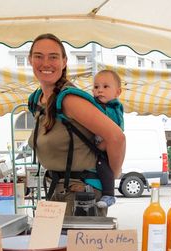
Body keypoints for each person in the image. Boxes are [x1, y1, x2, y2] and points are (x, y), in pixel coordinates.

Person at [27, 33, 126, 216]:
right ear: (30, 60)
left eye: (53, 57)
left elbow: (117, 137)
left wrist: (112, 173)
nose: (46, 63)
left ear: (64, 62)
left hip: (80, 195)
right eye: (39, 56)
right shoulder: (37, 100)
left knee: (69, 246)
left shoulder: (69, 99)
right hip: (56, 191)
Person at [92, 69, 124, 209]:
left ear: (117, 92)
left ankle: (109, 194)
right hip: (96, 142)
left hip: (106, 146)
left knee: (103, 166)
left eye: (105, 87)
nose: (100, 90)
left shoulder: (115, 108)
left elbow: (119, 130)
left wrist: (105, 143)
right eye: (96, 87)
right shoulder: (93, 104)